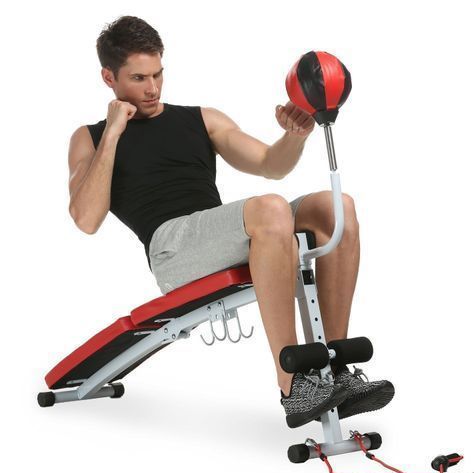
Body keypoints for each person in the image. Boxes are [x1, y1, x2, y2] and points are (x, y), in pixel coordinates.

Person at [68, 15, 394, 428]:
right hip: (172, 248)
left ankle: (335, 369)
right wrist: (114, 132)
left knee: (337, 207)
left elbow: (270, 164)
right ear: (109, 78)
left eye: (158, 74)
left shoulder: (202, 119)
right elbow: (86, 219)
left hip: (223, 232)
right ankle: (293, 385)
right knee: (270, 208)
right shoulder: (90, 137)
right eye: (138, 78)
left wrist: (294, 136)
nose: (152, 88)